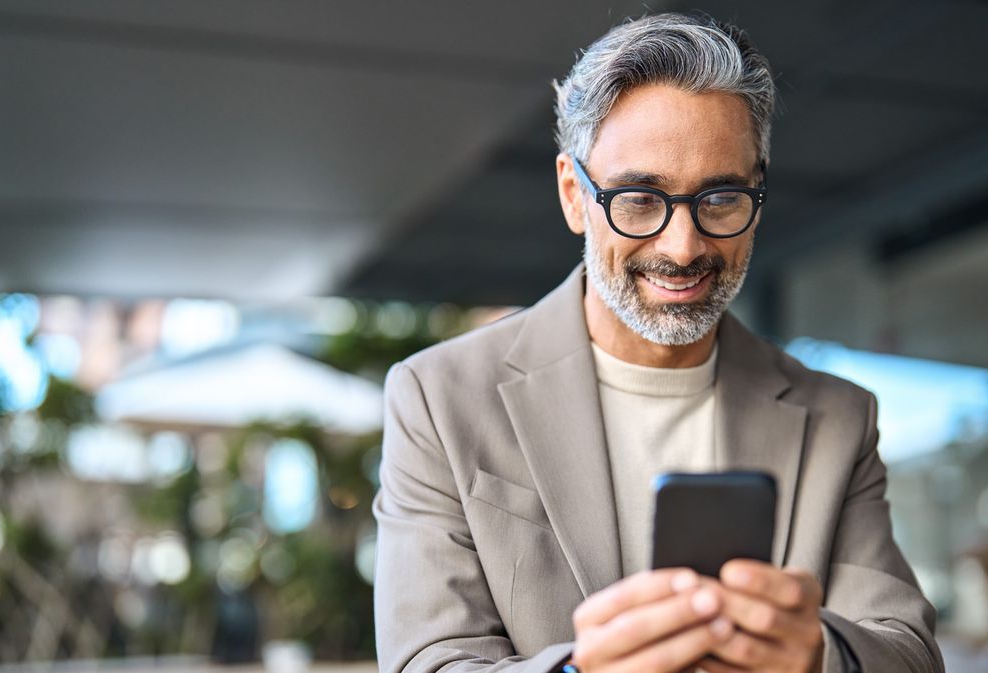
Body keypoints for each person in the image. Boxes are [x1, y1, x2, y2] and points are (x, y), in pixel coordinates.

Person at [373, 12, 943, 673]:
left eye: (722, 198)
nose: (684, 247)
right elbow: (429, 662)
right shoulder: (439, 398)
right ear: (573, 194)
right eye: (641, 198)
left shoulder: (839, 419)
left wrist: (818, 657)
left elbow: (910, 655)